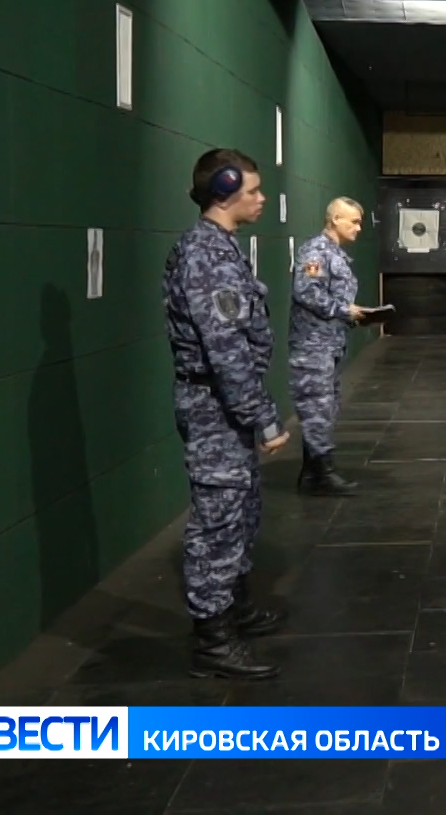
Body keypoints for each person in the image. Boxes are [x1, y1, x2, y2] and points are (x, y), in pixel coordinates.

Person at [162, 148, 286, 680]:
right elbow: (225, 348)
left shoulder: (222, 249)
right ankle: (212, 639)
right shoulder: (205, 255)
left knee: (240, 512)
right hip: (217, 407)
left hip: (224, 405)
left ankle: (233, 608)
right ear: (225, 190)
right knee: (217, 522)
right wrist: (262, 416)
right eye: (253, 191)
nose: (261, 199)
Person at [290, 199, 367, 497]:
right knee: (317, 407)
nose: (358, 228)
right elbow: (307, 292)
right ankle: (322, 473)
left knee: (325, 406)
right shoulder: (316, 252)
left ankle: (313, 472)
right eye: (353, 222)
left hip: (329, 343)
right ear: (335, 219)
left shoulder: (334, 254)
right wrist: (345, 311)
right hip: (312, 346)